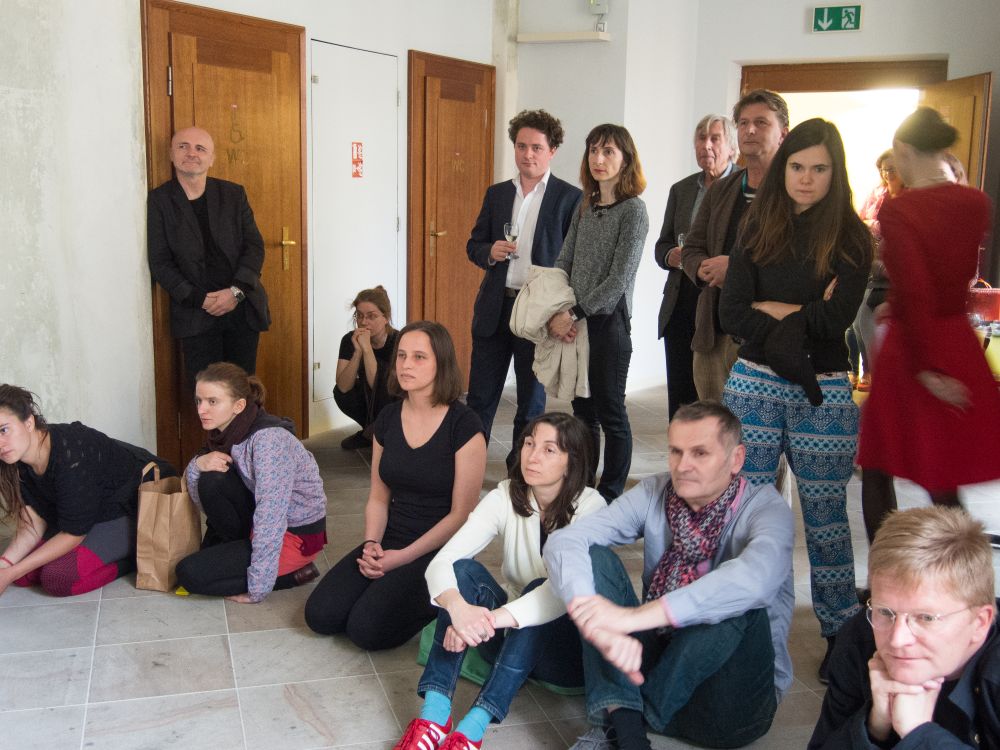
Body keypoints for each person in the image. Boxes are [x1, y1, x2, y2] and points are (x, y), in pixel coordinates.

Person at [543, 401, 794, 750]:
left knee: (735, 601)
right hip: (655, 670)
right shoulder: (656, 491)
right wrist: (592, 615)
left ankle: (625, 714)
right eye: (676, 451)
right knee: (592, 558)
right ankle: (626, 732)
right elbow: (566, 540)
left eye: (699, 453)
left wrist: (630, 618)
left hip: (728, 707)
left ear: (736, 459)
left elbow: (754, 579)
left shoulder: (767, 509)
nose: (682, 465)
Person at [719, 118, 873, 680]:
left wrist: (773, 309)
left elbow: (836, 322)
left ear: (836, 173)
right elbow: (731, 314)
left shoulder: (852, 238)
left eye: (818, 168)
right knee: (747, 513)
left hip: (822, 390)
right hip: (754, 383)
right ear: (783, 169)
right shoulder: (756, 226)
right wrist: (805, 313)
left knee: (826, 520)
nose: (805, 178)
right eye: (797, 166)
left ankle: (840, 636)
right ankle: (748, 623)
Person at [394, 413, 605, 750]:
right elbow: (442, 562)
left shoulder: (591, 507)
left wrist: (481, 621)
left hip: (564, 654)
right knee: (462, 571)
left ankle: (473, 728)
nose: (532, 456)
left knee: (539, 588)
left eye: (549, 450)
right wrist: (458, 608)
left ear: (572, 462)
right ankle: (434, 717)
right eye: (529, 443)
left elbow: (557, 595)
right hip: (507, 642)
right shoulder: (507, 495)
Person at [305, 321, 487, 650]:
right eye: (401, 355)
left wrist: (401, 558)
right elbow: (378, 497)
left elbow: (461, 515)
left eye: (419, 357)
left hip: (439, 548)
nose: (405, 365)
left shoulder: (464, 425)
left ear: (441, 363)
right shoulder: (388, 418)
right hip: (392, 535)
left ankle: (442, 597)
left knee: (365, 631)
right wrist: (371, 544)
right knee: (321, 616)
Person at [858, 106, 1000, 526]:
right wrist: (898, 303)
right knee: (943, 472)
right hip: (955, 338)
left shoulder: (900, 211)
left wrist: (926, 369)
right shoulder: (976, 203)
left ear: (903, 148)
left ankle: (886, 564)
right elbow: (946, 277)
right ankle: (963, 564)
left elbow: (917, 289)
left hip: (913, 347)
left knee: (878, 466)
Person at [809, 506, 999, 749]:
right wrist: (874, 728)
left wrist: (919, 734)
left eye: (926, 618)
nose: (897, 639)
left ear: (980, 622)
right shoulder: (859, 639)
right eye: (885, 612)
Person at [466, 110, 582, 467]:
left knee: (531, 403)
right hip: (495, 307)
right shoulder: (498, 193)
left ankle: (520, 472)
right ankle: (468, 469)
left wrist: (565, 313)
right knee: (480, 399)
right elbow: (474, 245)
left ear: (552, 151)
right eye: (521, 146)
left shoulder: (570, 198)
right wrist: (489, 252)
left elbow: (574, 262)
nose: (527, 154)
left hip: (538, 314)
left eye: (536, 147)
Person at [546, 124, 649, 502]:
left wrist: (574, 312)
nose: (598, 159)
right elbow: (564, 260)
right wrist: (559, 307)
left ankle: (610, 494)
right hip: (576, 322)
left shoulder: (634, 211)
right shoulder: (585, 206)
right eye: (593, 150)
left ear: (626, 159)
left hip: (609, 324)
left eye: (608, 151)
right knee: (583, 411)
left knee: (611, 413)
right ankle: (584, 487)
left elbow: (618, 279)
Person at [0, 384, 175, 597]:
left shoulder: (70, 453)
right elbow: (33, 522)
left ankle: (133, 558)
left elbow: (74, 533)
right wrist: (5, 566)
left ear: (29, 423)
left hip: (128, 508)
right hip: (84, 514)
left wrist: (12, 572)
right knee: (23, 576)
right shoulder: (16, 458)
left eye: (3, 430)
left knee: (57, 578)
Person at [174, 363, 326, 602]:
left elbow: (271, 515)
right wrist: (197, 465)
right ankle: (237, 553)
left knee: (189, 574)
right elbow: (202, 500)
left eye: (212, 401)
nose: (202, 409)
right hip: (259, 523)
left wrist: (258, 587)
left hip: (293, 535)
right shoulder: (224, 433)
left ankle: (291, 575)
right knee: (211, 479)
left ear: (239, 405)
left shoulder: (268, 440)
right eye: (199, 401)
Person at [681, 89, 789, 402]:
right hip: (713, 334)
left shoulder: (793, 191)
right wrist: (703, 269)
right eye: (743, 123)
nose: (750, 130)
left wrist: (736, 269)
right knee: (713, 425)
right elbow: (692, 248)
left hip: (766, 337)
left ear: (783, 134)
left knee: (758, 428)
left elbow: (798, 262)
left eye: (761, 123)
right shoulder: (722, 189)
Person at [148, 126, 270, 384]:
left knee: (241, 389)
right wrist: (199, 299)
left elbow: (254, 246)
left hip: (241, 308)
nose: (191, 153)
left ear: (211, 158)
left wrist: (236, 292)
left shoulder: (233, 194)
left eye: (200, 148)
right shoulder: (159, 200)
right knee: (206, 392)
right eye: (183, 146)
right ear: (171, 154)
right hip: (195, 314)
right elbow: (160, 262)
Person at [654, 114, 737, 419]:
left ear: (732, 148)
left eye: (715, 138)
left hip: (719, 303)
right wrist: (670, 256)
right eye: (701, 139)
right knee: (681, 397)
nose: (707, 145)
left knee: (718, 400)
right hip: (681, 302)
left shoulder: (742, 187)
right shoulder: (682, 189)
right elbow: (662, 244)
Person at [851, 148, 906, 395]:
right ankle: (869, 371)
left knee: (866, 317)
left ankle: (878, 374)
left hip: (895, 272)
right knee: (857, 321)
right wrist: (869, 226)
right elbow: (859, 222)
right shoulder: (877, 194)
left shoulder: (909, 197)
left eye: (892, 169)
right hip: (873, 266)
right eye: (884, 170)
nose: (887, 174)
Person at [334, 285, 400, 450]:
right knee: (341, 394)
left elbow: (379, 387)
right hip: (369, 397)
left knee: (385, 387)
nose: (364, 322)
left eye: (371, 316)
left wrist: (367, 349)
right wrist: (357, 352)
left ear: (386, 318)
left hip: (393, 398)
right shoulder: (349, 340)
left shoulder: (398, 340)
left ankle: (385, 433)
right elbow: (343, 386)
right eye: (359, 315)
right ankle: (370, 431)